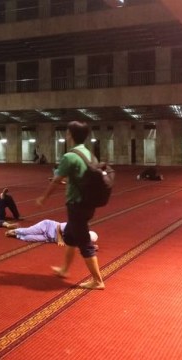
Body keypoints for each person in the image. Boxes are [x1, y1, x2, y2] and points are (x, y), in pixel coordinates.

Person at [36, 121, 105, 290]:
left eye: (67, 133)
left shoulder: (70, 156)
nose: (66, 135)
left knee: (84, 243)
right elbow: (81, 179)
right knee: (69, 236)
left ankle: (98, 280)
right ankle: (64, 269)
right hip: (89, 203)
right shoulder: (89, 155)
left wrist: (44, 197)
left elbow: (56, 180)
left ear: (70, 135)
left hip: (77, 206)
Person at [5, 219, 99, 251]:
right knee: (28, 231)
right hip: (47, 226)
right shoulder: (73, 228)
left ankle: (16, 235)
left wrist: (92, 247)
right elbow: (58, 227)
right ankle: (16, 230)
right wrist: (60, 239)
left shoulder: (79, 240)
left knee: (29, 238)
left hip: (48, 238)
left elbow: (81, 247)